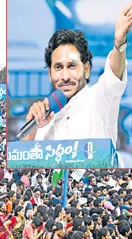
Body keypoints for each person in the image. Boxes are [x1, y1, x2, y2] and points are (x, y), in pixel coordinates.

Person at [21, 4, 132, 142]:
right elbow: (24, 159)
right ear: (50, 74)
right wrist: (33, 128)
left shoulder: (100, 99)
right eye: (58, 67)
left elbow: (114, 73)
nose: (65, 76)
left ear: (86, 69)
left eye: (72, 66)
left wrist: (119, 42)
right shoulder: (43, 119)